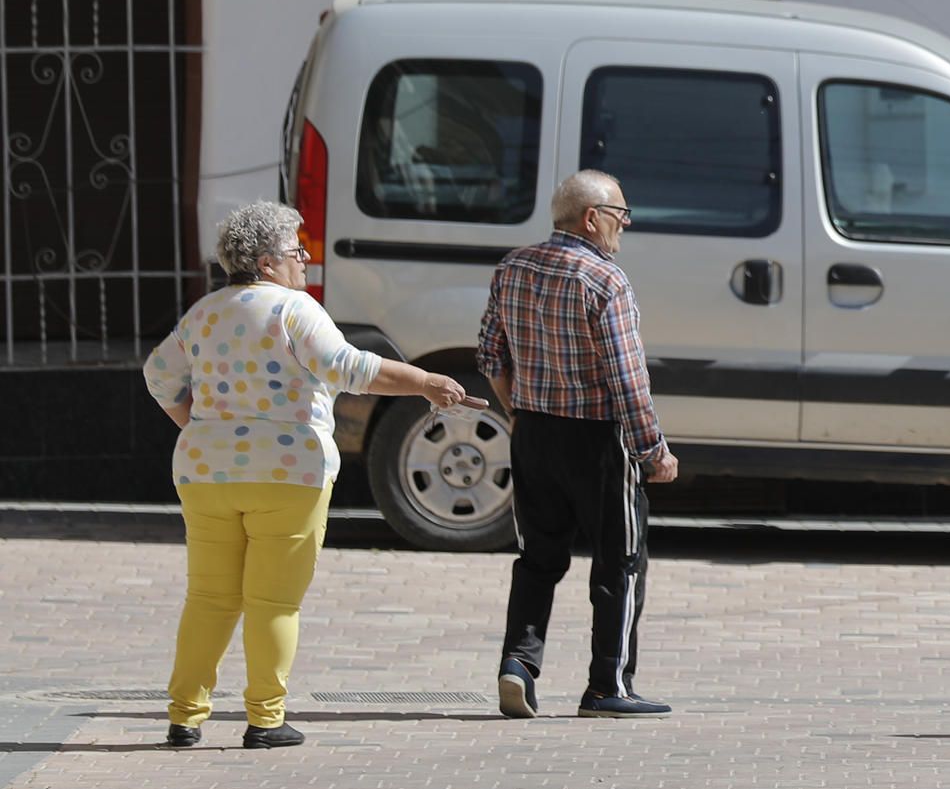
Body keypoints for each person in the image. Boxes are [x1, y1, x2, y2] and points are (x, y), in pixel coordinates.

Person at [143, 201, 478, 749]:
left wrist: (197, 425)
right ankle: (265, 720)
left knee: (209, 597)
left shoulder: (202, 313)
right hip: (288, 472)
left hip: (206, 472)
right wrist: (423, 380)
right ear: (269, 262)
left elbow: (158, 376)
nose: (305, 261)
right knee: (273, 602)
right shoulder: (294, 310)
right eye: (299, 251)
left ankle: (185, 717)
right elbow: (349, 369)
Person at [478, 170, 679, 721]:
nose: (625, 226)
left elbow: (490, 355)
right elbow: (627, 376)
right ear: (592, 218)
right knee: (621, 561)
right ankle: (606, 686)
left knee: (538, 558)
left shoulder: (513, 267)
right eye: (620, 215)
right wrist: (653, 450)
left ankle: (518, 665)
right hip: (597, 441)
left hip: (534, 433)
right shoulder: (605, 280)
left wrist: (516, 412)